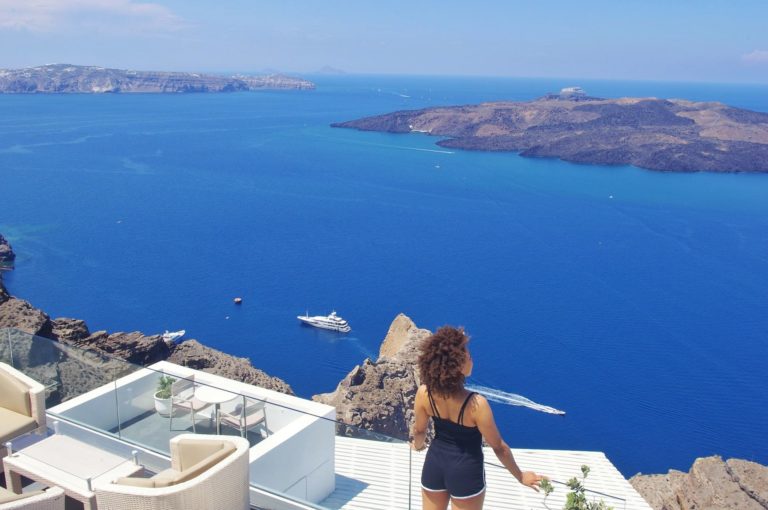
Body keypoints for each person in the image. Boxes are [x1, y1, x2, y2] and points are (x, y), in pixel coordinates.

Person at [411, 326, 544, 510]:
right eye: (468, 356)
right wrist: (520, 476)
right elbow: (499, 448)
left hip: (434, 465)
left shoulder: (424, 393)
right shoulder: (476, 404)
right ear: (457, 366)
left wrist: (417, 446)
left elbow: (419, 431)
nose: (472, 359)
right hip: (466, 472)